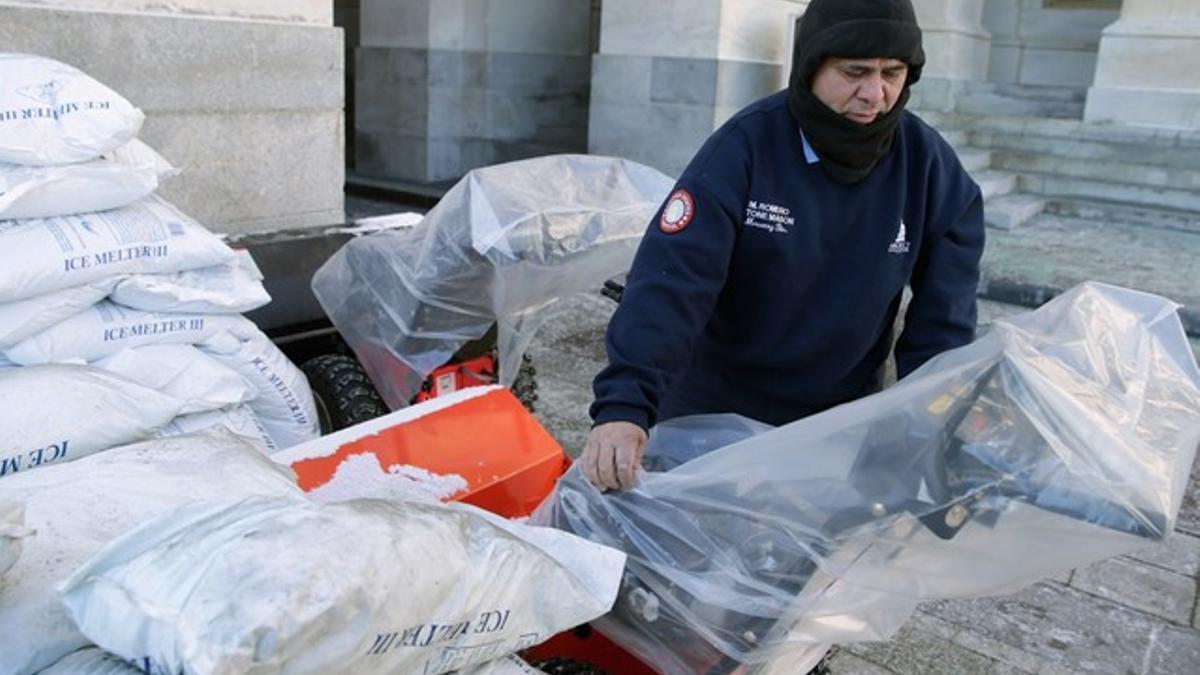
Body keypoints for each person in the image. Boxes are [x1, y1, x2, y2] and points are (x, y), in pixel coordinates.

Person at [581, 0, 986, 491]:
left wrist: (932, 421)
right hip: (711, 414)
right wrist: (625, 403)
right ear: (811, 65)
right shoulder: (745, 148)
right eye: (854, 71)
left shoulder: (930, 170)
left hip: (835, 422)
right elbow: (672, 282)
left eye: (892, 73)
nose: (874, 93)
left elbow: (943, 325)